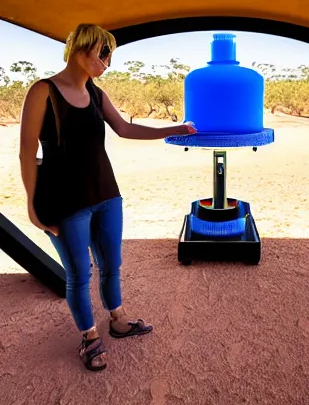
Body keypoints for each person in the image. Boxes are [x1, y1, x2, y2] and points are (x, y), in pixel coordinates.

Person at [18, 23, 197, 372]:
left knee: (112, 265)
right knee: (78, 274)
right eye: (104, 54)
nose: (108, 63)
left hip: (107, 195)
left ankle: (117, 320)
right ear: (82, 50)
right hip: (66, 201)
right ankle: (88, 337)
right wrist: (31, 205)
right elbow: (27, 153)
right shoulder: (43, 91)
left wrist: (176, 128)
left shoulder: (97, 94)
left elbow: (126, 128)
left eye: (110, 55)